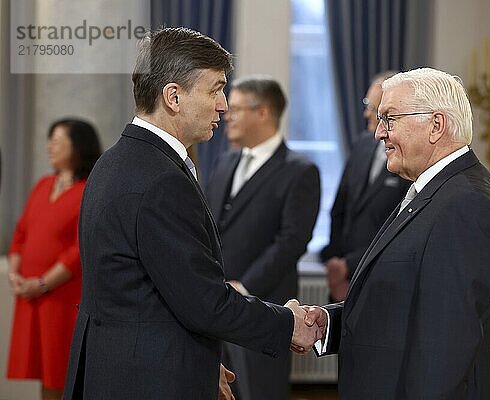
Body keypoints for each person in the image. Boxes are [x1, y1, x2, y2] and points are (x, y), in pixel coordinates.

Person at [63, 27, 320, 400]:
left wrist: (197, 360)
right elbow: (205, 302)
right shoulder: (160, 179)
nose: (224, 105)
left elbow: (148, 293)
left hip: (125, 367)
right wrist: (288, 323)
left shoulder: (117, 160)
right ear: (173, 96)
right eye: (215, 89)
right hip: (147, 380)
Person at [300, 68, 490, 399]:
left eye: (389, 118)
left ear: (436, 125)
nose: (378, 133)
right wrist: (329, 324)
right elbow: (401, 307)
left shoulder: (464, 204)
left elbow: (444, 348)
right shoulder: (437, 191)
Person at [206, 76, 321, 400]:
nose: (228, 114)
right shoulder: (226, 161)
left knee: (259, 390)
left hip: (264, 303)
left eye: (238, 108)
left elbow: (292, 240)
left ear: (263, 112)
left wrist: (244, 285)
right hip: (215, 303)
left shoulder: (299, 170)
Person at [6, 119, 102, 400]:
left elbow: (78, 250)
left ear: (78, 147)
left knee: (61, 370)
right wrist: (15, 274)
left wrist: (43, 283)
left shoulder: (88, 190)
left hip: (61, 297)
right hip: (31, 296)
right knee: (42, 372)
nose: (50, 146)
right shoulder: (43, 184)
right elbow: (21, 232)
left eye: (57, 141)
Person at [320, 71, 411, 301]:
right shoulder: (362, 145)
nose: (366, 114)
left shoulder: (409, 159)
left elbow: (399, 228)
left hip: (381, 278)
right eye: (367, 105)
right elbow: (339, 207)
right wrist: (334, 262)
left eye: (374, 108)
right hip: (341, 279)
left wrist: (348, 266)